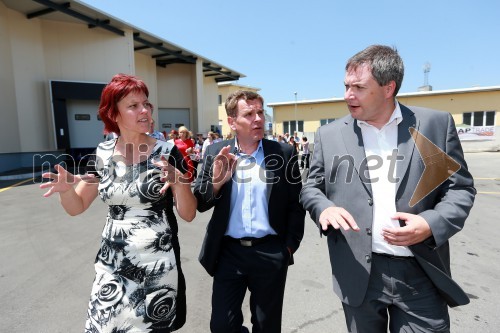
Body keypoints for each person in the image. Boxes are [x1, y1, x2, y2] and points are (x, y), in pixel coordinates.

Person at [300, 45, 476, 333]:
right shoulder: (329, 135)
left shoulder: (434, 125)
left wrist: (430, 223)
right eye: (346, 86)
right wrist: (324, 207)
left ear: (388, 88)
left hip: (421, 272)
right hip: (358, 273)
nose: (348, 95)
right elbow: (311, 188)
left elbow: (460, 190)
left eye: (358, 87)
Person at [40, 73, 197, 332]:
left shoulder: (168, 152)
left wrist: (179, 181)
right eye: (133, 106)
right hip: (112, 264)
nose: (144, 110)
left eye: (146, 104)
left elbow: (189, 214)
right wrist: (66, 190)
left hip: (155, 266)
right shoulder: (101, 154)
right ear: (113, 114)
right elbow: (76, 206)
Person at [194, 90, 305, 333]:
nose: (258, 119)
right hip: (229, 253)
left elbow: (296, 204)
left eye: (260, 113)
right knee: (223, 326)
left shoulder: (283, 153)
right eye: (249, 114)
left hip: (270, 252)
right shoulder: (216, 153)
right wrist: (216, 182)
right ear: (232, 122)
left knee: (266, 326)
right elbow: (200, 203)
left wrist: (288, 247)